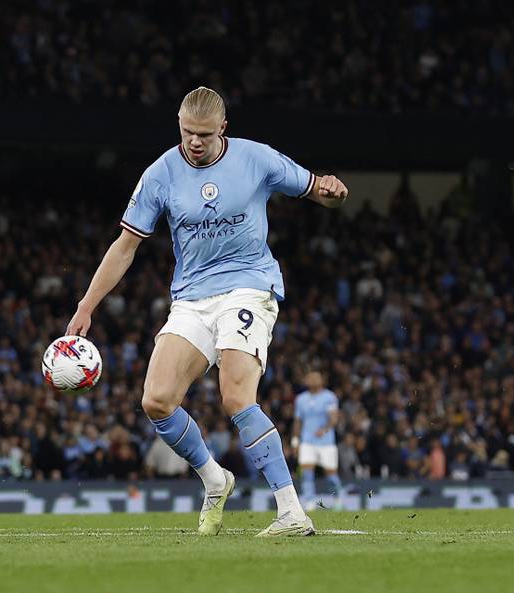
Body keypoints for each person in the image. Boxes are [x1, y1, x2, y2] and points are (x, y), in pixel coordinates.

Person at [67, 87, 348, 537]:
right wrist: (87, 305)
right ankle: (216, 479)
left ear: (223, 129)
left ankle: (291, 511)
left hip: (249, 286)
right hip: (193, 298)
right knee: (156, 400)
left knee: (236, 395)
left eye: (202, 134)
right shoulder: (160, 174)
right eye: (185, 133)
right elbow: (125, 247)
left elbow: (317, 190)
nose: (193, 142)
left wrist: (332, 190)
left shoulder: (257, 159)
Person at [292, 371, 343, 511]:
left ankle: (338, 499)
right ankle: (309, 502)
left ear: (322, 380)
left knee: (331, 475)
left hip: (326, 442)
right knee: (307, 473)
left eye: (316, 377)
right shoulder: (301, 399)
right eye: (309, 377)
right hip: (307, 441)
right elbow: (297, 421)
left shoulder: (329, 397)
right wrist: (295, 441)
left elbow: (334, 418)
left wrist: (324, 429)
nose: (312, 379)